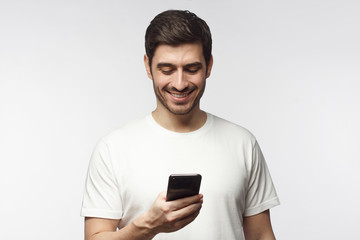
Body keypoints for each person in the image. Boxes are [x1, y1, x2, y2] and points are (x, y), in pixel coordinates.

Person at [81, 9, 280, 240]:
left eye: (192, 69)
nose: (179, 83)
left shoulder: (243, 143)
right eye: (167, 70)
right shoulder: (112, 149)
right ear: (148, 66)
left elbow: (262, 236)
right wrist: (148, 226)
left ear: (209, 65)